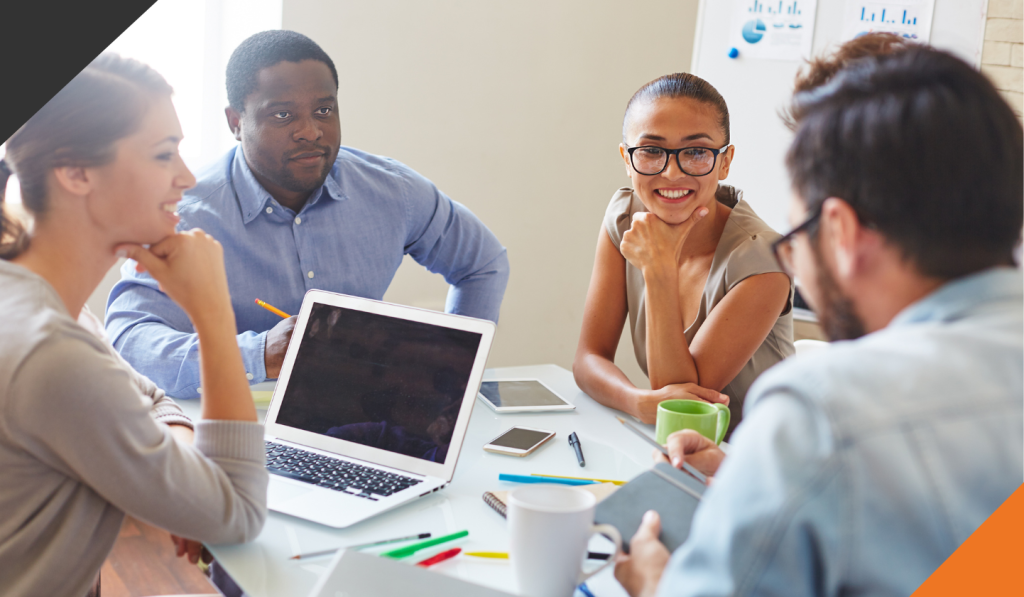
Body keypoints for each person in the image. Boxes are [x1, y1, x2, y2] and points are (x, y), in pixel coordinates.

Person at [613, 46, 1023, 597]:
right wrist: (755, 473)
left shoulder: (823, 413)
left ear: (842, 232)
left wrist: (654, 582)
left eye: (796, 230)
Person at [104, 30, 510, 399]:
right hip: (240, 419)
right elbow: (130, 339)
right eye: (282, 115)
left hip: (362, 413)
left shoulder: (392, 190)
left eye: (323, 111)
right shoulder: (185, 216)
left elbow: (482, 263)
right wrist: (260, 354)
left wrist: (451, 370)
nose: (310, 131)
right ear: (235, 122)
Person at [0, 54, 267, 597]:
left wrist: (175, 469)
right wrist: (212, 313)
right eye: (163, 153)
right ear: (75, 171)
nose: (187, 177)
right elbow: (237, 513)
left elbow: (144, 397)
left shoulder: (50, 309)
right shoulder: (51, 353)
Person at [574, 73, 794, 434]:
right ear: (627, 160)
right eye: (651, 151)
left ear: (724, 162)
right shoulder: (626, 217)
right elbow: (588, 358)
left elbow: (682, 408)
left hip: (758, 458)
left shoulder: (764, 260)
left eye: (695, 152)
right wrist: (635, 400)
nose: (672, 172)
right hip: (679, 449)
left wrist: (659, 270)